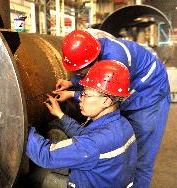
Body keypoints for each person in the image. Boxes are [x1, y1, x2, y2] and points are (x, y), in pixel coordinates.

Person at [55, 29, 171, 188]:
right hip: (126, 89)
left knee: (141, 156)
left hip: (149, 92)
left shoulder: (116, 61)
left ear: (93, 60)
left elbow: (107, 98)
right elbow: (88, 76)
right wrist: (72, 83)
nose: (78, 74)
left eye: (80, 71)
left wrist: (72, 95)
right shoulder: (92, 50)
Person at [26, 60, 137, 188]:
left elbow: (46, 155)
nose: (80, 99)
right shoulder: (123, 124)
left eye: (85, 94)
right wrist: (60, 115)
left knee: (42, 179)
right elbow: (86, 136)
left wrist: (20, 125)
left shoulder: (93, 144)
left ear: (106, 101)